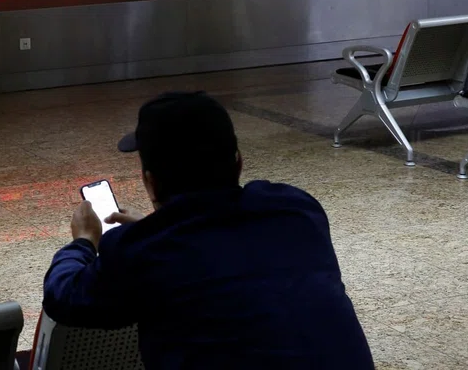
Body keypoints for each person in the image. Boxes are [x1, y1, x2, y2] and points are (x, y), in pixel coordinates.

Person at [42, 91, 373, 369]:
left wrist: (83, 242)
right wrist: (152, 230)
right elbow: (223, 250)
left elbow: (65, 299)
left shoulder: (141, 252)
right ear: (239, 162)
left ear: (150, 182)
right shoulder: (297, 210)